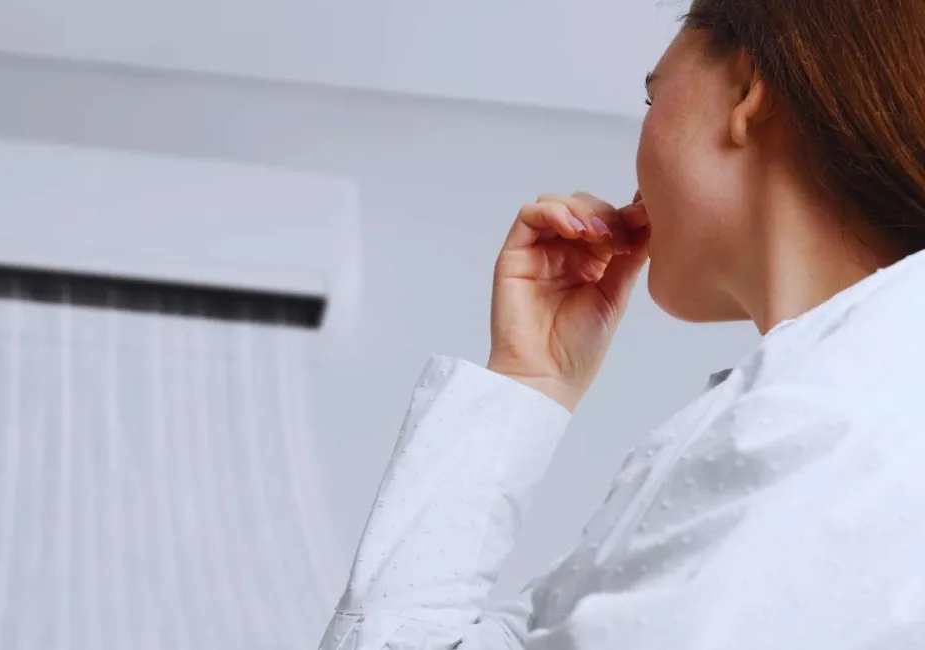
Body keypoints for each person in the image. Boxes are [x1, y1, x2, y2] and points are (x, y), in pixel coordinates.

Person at [321, 1, 925, 648]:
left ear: (748, 93)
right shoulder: (844, 406)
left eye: (650, 97)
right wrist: (531, 376)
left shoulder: (825, 428)